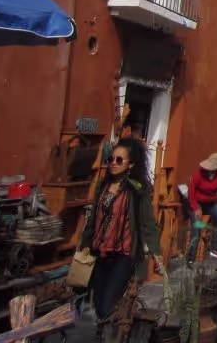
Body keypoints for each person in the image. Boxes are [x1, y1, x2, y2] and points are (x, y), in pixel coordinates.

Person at [79, 138, 162, 328]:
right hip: (100, 251)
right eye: (111, 159)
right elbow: (93, 219)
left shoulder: (137, 190)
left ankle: (110, 332)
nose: (113, 164)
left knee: (109, 302)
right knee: (99, 303)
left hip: (123, 254)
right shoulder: (103, 186)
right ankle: (105, 334)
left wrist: (156, 252)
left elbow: (148, 224)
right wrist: (85, 243)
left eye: (119, 160)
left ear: (130, 164)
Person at [186, 152, 217, 260]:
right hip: (197, 201)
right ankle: (190, 258)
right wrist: (195, 207)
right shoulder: (199, 173)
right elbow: (191, 191)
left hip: (211, 202)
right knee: (196, 227)